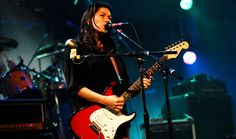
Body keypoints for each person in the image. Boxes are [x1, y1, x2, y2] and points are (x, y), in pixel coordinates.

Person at [63, 1, 152, 139]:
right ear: (88, 19)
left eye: (109, 17)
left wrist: (139, 85)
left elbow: (124, 88)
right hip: (90, 119)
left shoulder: (112, 50)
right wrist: (105, 100)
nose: (107, 20)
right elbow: (74, 87)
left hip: (118, 118)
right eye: (102, 15)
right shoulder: (75, 47)